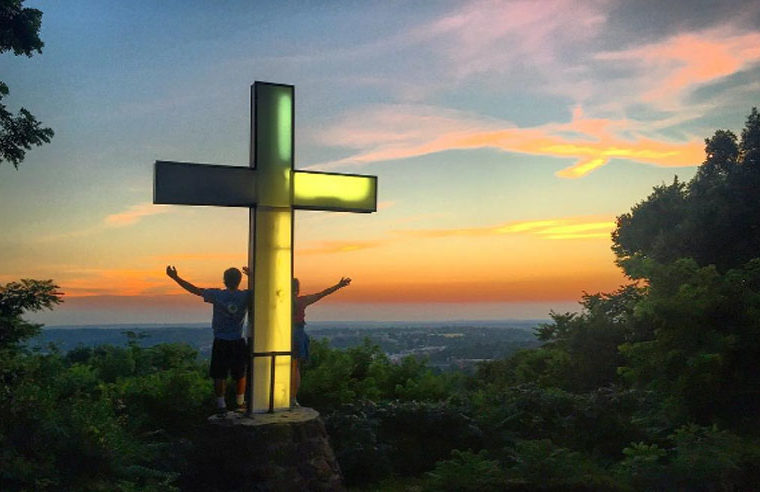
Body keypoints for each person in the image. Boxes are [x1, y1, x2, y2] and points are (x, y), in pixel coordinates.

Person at [166, 265, 250, 413]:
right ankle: (240, 402)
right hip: (238, 340)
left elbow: (194, 290)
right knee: (240, 373)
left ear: (224, 280)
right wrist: (252, 276)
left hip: (221, 340)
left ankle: (221, 406)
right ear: (239, 281)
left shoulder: (216, 295)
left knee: (219, 374)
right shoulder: (245, 296)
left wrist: (176, 278)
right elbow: (262, 289)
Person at [291, 276, 351, 407]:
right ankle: (293, 398)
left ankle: (286, 396)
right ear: (297, 289)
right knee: (295, 368)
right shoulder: (302, 301)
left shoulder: (282, 302)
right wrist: (338, 285)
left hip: (284, 333)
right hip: (298, 334)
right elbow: (323, 293)